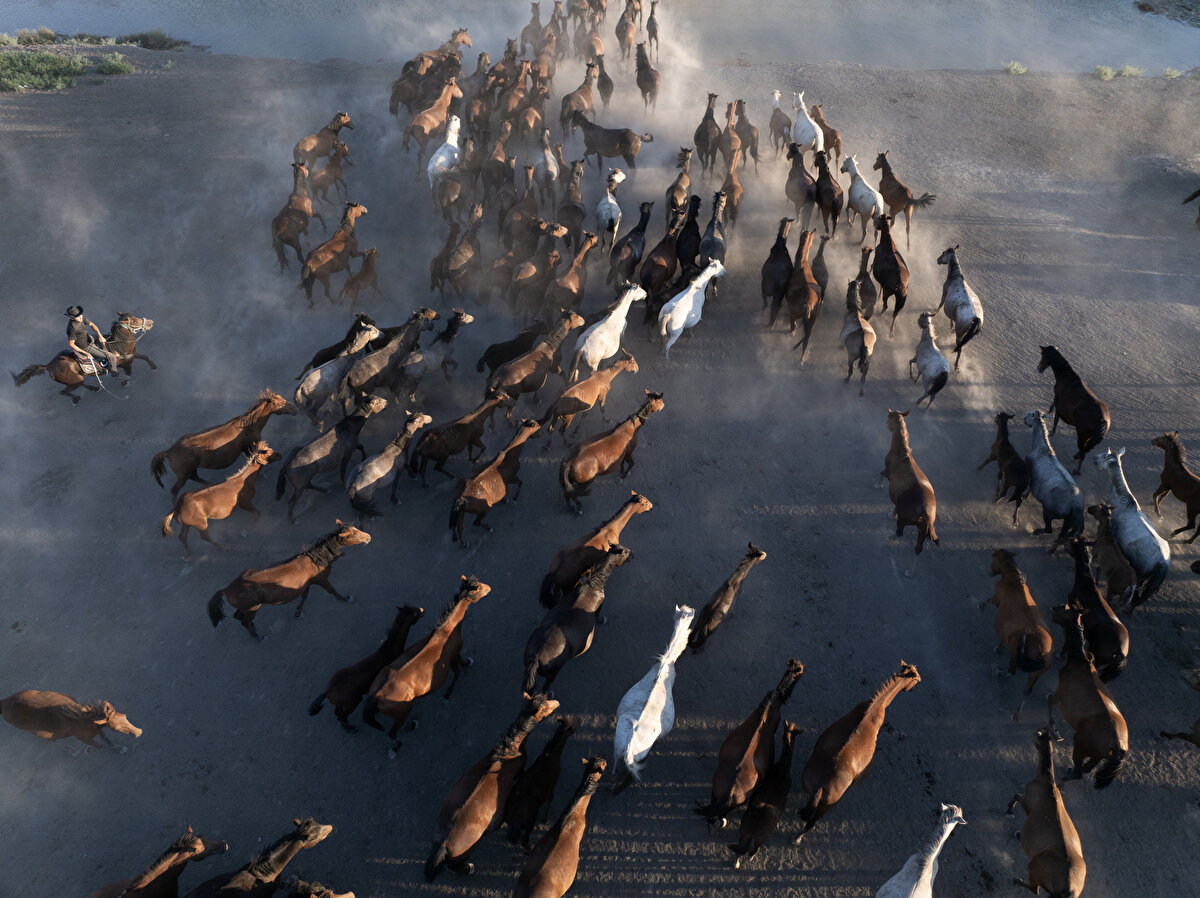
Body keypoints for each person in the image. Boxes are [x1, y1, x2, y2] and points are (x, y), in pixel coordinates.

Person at [65, 305, 120, 377]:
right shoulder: (72, 328)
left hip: (89, 338)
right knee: (111, 356)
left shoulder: (81, 319)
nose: (80, 317)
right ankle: (113, 371)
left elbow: (92, 325)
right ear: (72, 318)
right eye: (77, 317)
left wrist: (100, 336)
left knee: (106, 338)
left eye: (80, 315)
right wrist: (85, 352)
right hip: (85, 347)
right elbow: (71, 344)